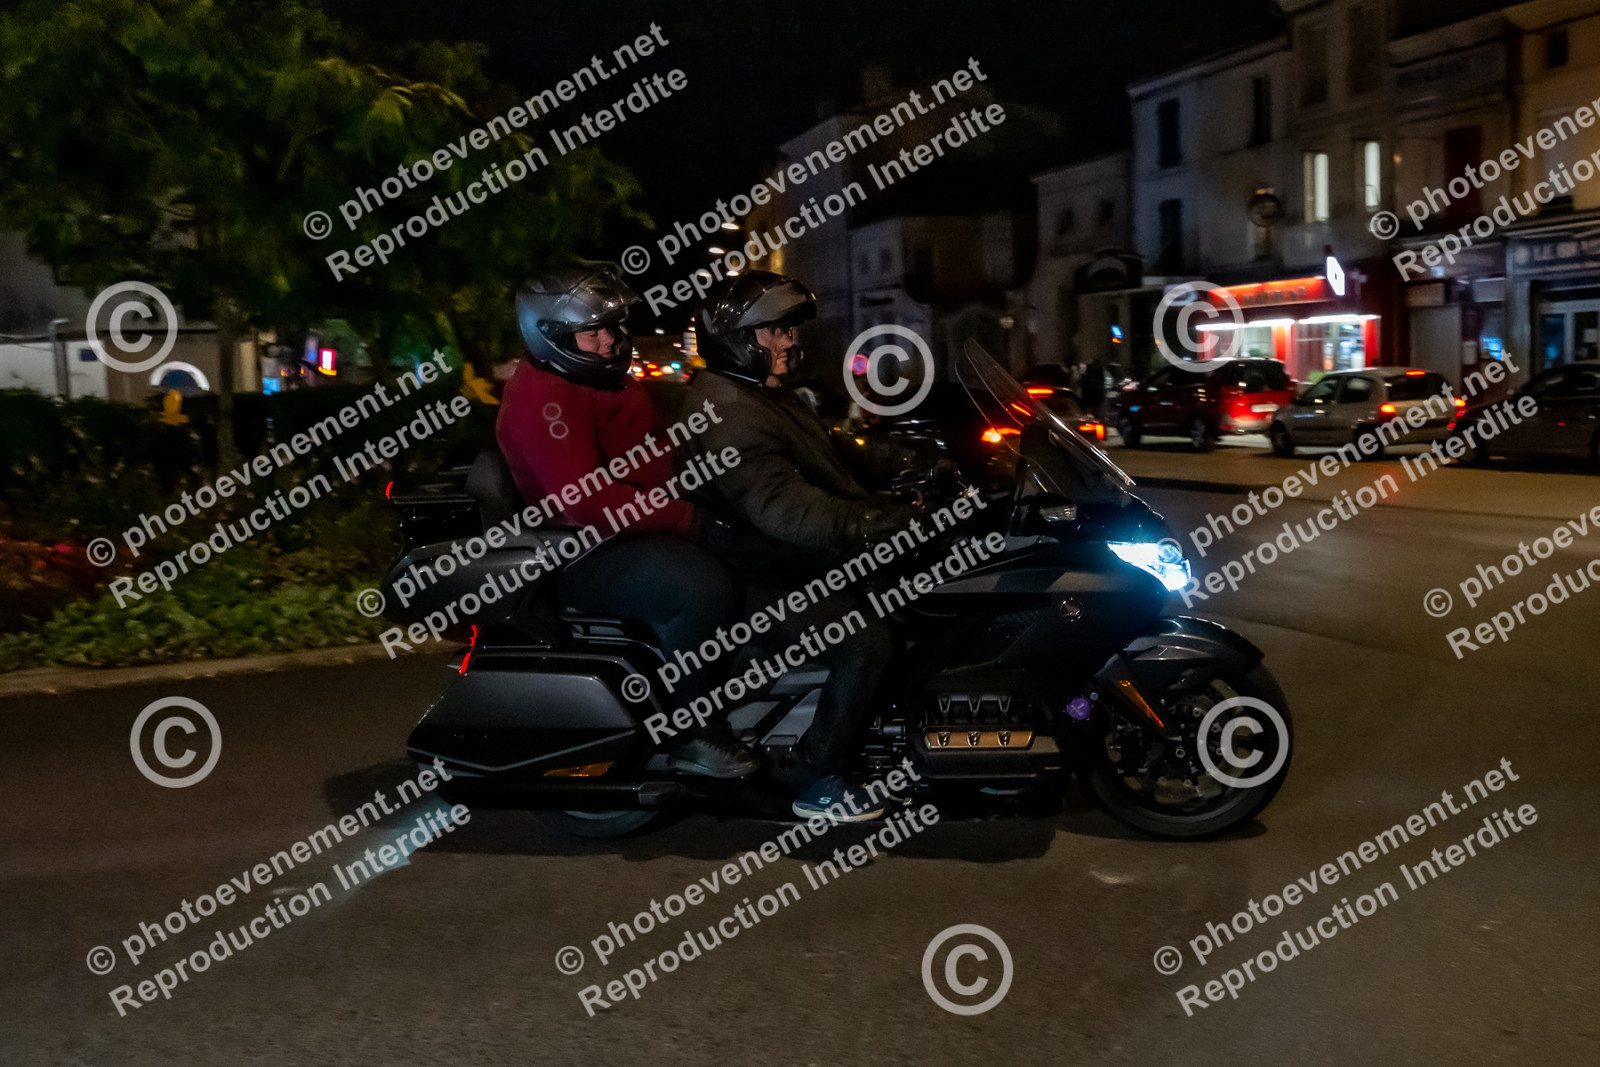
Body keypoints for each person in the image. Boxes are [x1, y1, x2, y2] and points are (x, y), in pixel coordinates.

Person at [496, 267, 757, 778]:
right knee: (698, 590)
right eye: (592, 332)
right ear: (550, 336)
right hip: (581, 550)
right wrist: (689, 520)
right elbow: (587, 500)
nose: (610, 341)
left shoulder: (596, 376)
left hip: (628, 531)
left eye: (613, 327)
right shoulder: (544, 397)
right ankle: (695, 735)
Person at [688, 271, 916, 821]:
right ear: (737, 339)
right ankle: (819, 776)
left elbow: (834, 450)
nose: (790, 340)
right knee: (864, 642)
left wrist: (917, 463)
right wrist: (874, 522)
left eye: (790, 329)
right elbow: (784, 508)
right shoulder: (726, 411)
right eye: (776, 330)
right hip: (758, 571)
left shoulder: (764, 393)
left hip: (786, 558)